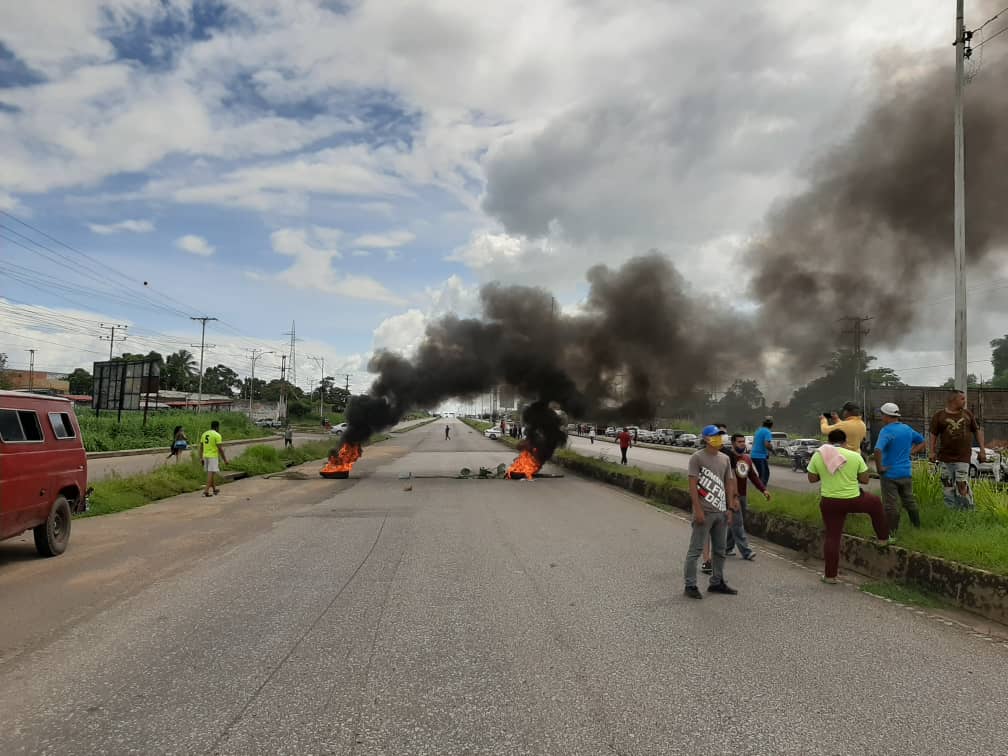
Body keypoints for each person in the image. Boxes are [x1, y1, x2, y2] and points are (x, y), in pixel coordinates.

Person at [807, 428, 889, 583]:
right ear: (845, 442)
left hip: (830, 502)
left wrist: (825, 473)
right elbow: (865, 480)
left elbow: (812, 479)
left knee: (832, 537)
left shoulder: (819, 456)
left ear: (829, 442)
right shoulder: (854, 456)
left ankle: (830, 576)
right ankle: (883, 539)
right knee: (875, 503)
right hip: (853, 499)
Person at [684, 425, 739, 599]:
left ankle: (717, 582)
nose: (719, 438)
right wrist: (697, 510)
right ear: (706, 439)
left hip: (721, 512)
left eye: (720, 435)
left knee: (720, 551)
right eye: (715, 436)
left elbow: (728, 483)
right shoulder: (697, 458)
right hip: (704, 512)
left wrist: (730, 508)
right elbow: (692, 485)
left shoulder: (725, 459)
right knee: (696, 550)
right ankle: (690, 585)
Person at [873, 402, 926, 540]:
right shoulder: (907, 429)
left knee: (891, 505)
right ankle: (917, 528)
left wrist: (880, 468)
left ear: (886, 416)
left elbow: (877, 449)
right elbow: (922, 441)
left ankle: (892, 535)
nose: (881, 417)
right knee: (909, 501)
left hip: (890, 474)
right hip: (905, 473)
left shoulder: (886, 431)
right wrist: (911, 452)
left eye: (882, 415)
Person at [929, 388, 987, 510]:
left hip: (963, 457)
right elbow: (933, 435)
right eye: (962, 399)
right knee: (948, 485)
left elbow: (977, 431)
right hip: (945, 458)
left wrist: (982, 450)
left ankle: (968, 510)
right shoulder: (939, 416)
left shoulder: (967, 414)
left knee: (961, 483)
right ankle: (951, 511)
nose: (964, 401)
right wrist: (932, 451)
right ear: (953, 400)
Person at [199, 420, 229, 497]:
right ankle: (205, 491)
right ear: (217, 427)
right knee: (211, 474)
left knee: (210, 474)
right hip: (213, 457)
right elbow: (220, 449)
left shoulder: (204, 434)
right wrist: (225, 459)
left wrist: (200, 458)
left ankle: (214, 489)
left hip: (205, 456)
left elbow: (201, 447)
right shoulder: (217, 435)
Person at [750, 417, 774, 485]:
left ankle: (761, 486)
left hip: (754, 455)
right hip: (760, 456)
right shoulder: (767, 431)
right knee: (764, 474)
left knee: (763, 473)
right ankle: (762, 488)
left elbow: (754, 442)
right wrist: (772, 450)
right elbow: (767, 444)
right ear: (771, 425)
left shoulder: (758, 430)